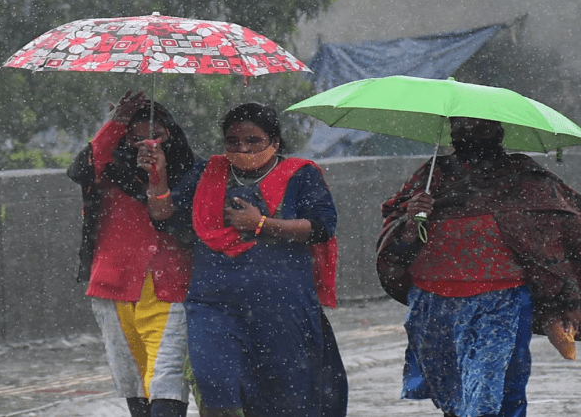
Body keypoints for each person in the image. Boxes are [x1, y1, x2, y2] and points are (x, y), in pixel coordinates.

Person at [138, 103, 348, 417]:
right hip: (214, 303)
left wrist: (262, 224)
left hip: (282, 305)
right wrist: (158, 177)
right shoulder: (209, 172)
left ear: (275, 141)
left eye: (253, 140)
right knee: (214, 383)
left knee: (284, 398)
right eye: (233, 141)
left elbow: (320, 227)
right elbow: (164, 216)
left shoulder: (300, 175)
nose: (243, 148)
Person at [376, 116, 581, 417]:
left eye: (482, 127)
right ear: (452, 134)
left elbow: (563, 219)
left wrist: (560, 299)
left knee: (498, 392)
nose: (472, 133)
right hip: (435, 301)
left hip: (503, 299)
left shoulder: (523, 175)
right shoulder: (432, 176)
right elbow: (398, 236)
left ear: (498, 132)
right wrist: (413, 218)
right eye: (462, 127)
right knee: (452, 392)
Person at [66, 91, 196, 417]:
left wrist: (159, 173)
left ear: (172, 135)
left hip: (170, 287)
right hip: (114, 288)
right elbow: (80, 168)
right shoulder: (107, 170)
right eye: (134, 138)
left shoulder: (190, 173)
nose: (146, 145)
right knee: (135, 386)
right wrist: (115, 123)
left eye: (156, 136)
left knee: (166, 383)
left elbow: (177, 218)